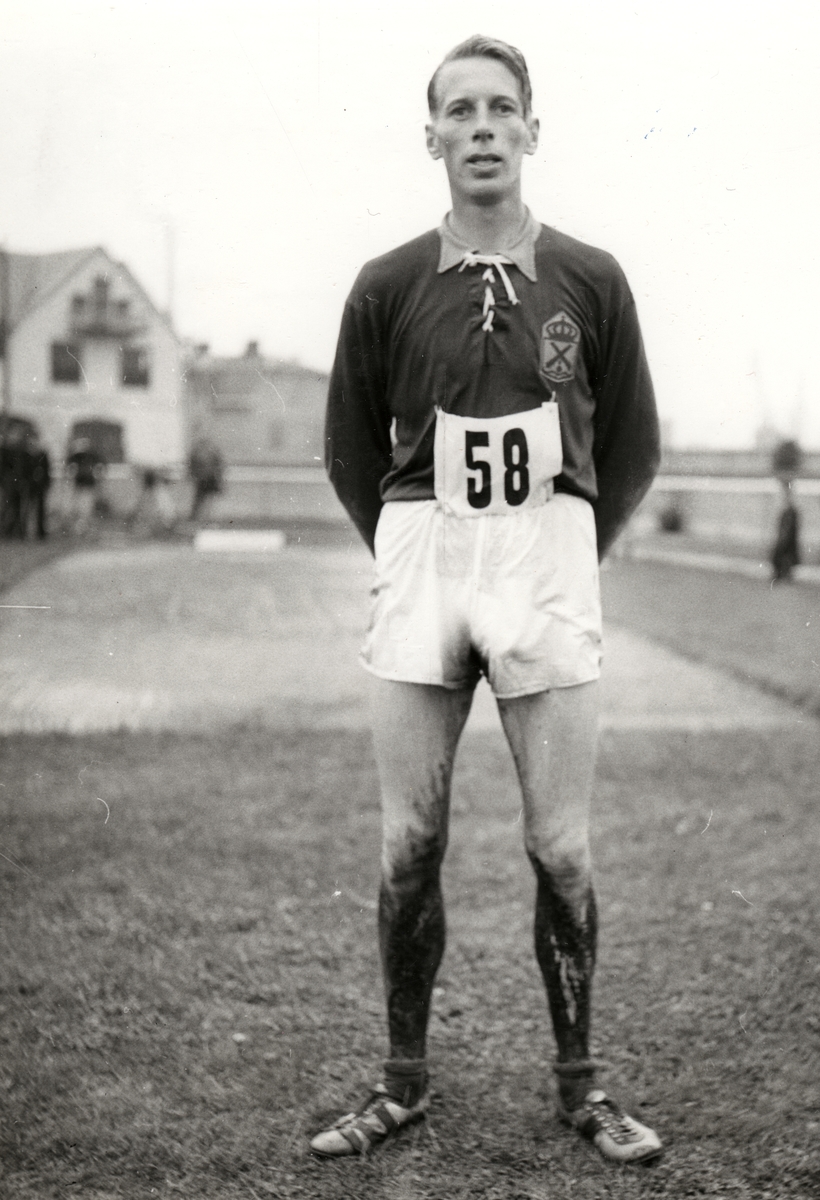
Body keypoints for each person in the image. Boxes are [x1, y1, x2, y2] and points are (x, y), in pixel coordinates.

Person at [314, 36, 662, 1166]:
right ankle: (401, 1082)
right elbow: (348, 447)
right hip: (424, 556)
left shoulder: (591, 277)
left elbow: (635, 444)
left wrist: (564, 552)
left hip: (545, 559)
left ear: (530, 130)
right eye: (458, 110)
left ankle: (581, 1087)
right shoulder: (385, 283)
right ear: (431, 138)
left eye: (499, 108)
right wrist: (412, 545)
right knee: (408, 838)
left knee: (559, 843)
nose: (480, 127)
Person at [66, 436, 103, 535]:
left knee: (87, 507)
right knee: (77, 507)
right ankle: (78, 527)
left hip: (88, 484)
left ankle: (84, 527)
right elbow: (69, 466)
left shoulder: (93, 456)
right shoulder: (76, 456)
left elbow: (100, 466)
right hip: (79, 484)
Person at [188, 437, 224, 522]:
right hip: (206, 478)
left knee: (204, 499)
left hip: (206, 478)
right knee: (205, 499)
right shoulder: (209, 453)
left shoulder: (199, 453)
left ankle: (201, 517)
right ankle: (202, 517)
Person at [771, 479, 801, 582]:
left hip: (788, 515)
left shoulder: (790, 510)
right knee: (784, 546)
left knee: (786, 545)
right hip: (786, 514)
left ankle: (784, 571)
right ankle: (782, 571)